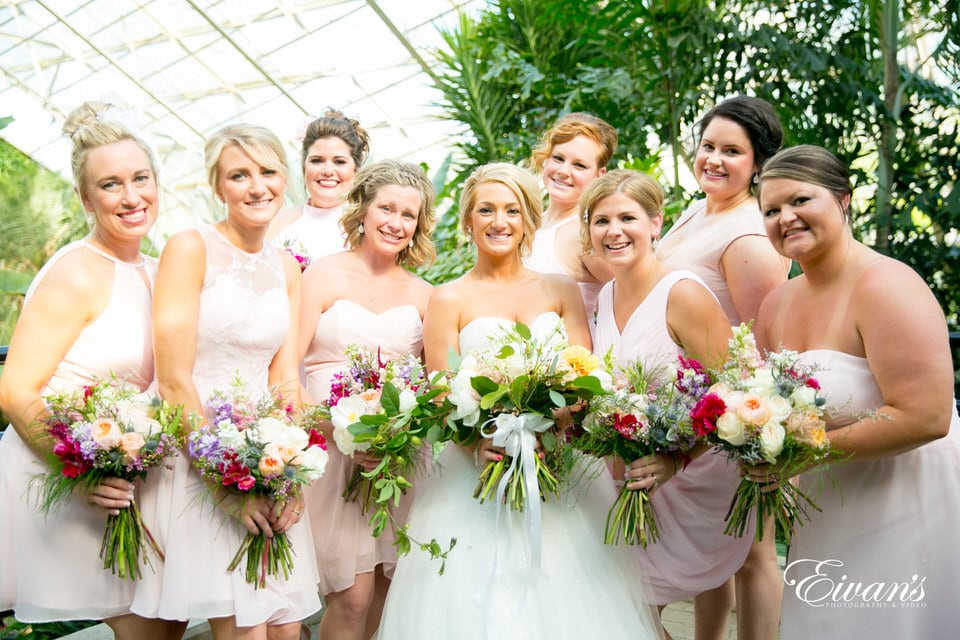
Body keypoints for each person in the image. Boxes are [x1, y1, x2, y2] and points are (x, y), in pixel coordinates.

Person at [377, 163, 664, 640]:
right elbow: (442, 390)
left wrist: (560, 422)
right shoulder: (448, 298)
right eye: (485, 210)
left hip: (562, 467)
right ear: (467, 221)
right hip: (476, 471)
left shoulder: (560, 289)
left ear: (529, 220)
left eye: (512, 210)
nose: (499, 221)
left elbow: (584, 373)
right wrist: (477, 445)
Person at [754, 144, 960, 639]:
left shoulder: (887, 285)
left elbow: (928, 415)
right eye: (771, 210)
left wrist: (804, 451)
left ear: (844, 200)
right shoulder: (775, 304)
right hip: (829, 505)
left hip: (904, 499)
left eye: (801, 200)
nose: (786, 217)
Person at [0, 102, 185, 639]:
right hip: (74, 481)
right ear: (85, 198)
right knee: (149, 629)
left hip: (134, 481)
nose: (131, 198)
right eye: (110, 185)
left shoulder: (157, 269)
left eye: (140, 179)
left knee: (167, 625)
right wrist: (82, 477)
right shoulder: (78, 271)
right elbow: (14, 391)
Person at [136, 124, 320, 639]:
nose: (257, 186)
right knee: (244, 629)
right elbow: (173, 380)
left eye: (267, 172)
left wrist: (293, 471)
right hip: (201, 457)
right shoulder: (189, 248)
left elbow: (284, 378)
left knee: (285, 629)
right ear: (217, 187)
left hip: (266, 453)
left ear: (285, 180)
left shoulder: (287, 267)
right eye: (239, 175)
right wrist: (226, 485)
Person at [655, 95, 788, 640]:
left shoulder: (750, 234)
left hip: (730, 415)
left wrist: (750, 428)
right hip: (686, 406)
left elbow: (767, 341)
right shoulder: (700, 210)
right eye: (708, 146)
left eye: (731, 151)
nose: (713, 159)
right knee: (717, 554)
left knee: (753, 552)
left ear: (757, 163)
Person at [583, 169, 734, 636]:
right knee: (627, 610)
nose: (614, 231)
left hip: (691, 473)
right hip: (632, 475)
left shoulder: (682, 292)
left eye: (626, 217)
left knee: (632, 608)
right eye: (601, 220)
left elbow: (733, 391)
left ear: (655, 222)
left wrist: (677, 458)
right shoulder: (605, 295)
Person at [299, 160, 436, 640]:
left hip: (396, 460)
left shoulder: (424, 295)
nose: (396, 223)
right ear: (363, 209)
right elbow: (285, 369)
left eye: (408, 215)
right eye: (387, 209)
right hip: (329, 451)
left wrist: (398, 434)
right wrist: (335, 428)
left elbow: (436, 387)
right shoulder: (321, 276)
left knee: (384, 590)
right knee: (350, 596)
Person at [525, 112, 618, 323]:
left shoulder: (585, 234)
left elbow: (638, 296)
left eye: (579, 165)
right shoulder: (531, 223)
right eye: (558, 158)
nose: (564, 171)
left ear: (599, 175)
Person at [267, 109, 370, 261]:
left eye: (339, 162)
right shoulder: (276, 222)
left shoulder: (367, 228)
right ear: (304, 166)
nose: (328, 171)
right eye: (317, 160)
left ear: (356, 170)